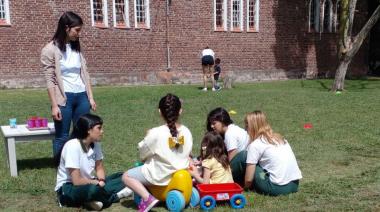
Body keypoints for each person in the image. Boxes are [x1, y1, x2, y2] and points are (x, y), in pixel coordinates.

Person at [41, 11, 96, 166]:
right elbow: (50, 79)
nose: (79, 34)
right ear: (66, 28)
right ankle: (61, 168)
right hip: (63, 99)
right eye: (77, 30)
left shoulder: (76, 47)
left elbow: (85, 73)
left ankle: (82, 165)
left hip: (81, 97)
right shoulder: (50, 49)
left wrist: (90, 97)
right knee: (62, 135)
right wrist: (54, 105)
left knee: (84, 133)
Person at [122, 93, 193, 212]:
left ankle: (147, 198)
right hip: (181, 171)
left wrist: (147, 137)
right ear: (180, 111)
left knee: (126, 176)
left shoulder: (156, 133)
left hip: (160, 174)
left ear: (160, 112)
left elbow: (143, 152)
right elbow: (187, 152)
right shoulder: (187, 131)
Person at [55, 114, 132, 211]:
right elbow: (77, 181)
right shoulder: (73, 145)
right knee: (93, 190)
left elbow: (99, 167)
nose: (102, 131)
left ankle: (92, 201)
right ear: (88, 130)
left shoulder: (95, 144)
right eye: (99, 128)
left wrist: (102, 181)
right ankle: (115, 197)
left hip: (90, 182)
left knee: (125, 176)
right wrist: (95, 183)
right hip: (69, 187)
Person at [244, 111, 302, 196]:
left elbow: (249, 180)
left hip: (277, 188)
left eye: (247, 125)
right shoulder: (280, 138)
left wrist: (245, 188)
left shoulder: (256, 144)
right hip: (294, 185)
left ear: (253, 126)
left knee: (249, 162)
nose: (245, 129)